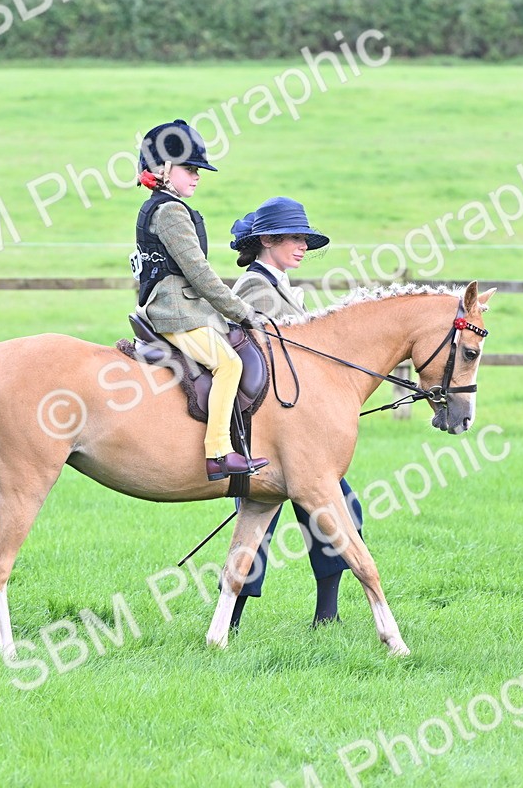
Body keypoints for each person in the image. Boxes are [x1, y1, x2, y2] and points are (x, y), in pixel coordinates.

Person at [226, 196, 365, 629]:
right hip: (269, 427)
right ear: (268, 240)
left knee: (341, 509)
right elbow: (270, 351)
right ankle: (231, 620)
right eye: (295, 238)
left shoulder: (283, 285)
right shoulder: (254, 287)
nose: (303, 246)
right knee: (258, 529)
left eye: (305, 239)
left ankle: (328, 616)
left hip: (302, 428)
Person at [132, 119, 269, 481]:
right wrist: (242, 312)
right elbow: (200, 274)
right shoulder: (171, 211)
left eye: (198, 170)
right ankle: (219, 453)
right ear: (163, 169)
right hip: (177, 313)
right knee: (229, 365)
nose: (197, 176)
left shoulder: (159, 207)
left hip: (180, 308)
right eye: (189, 169)